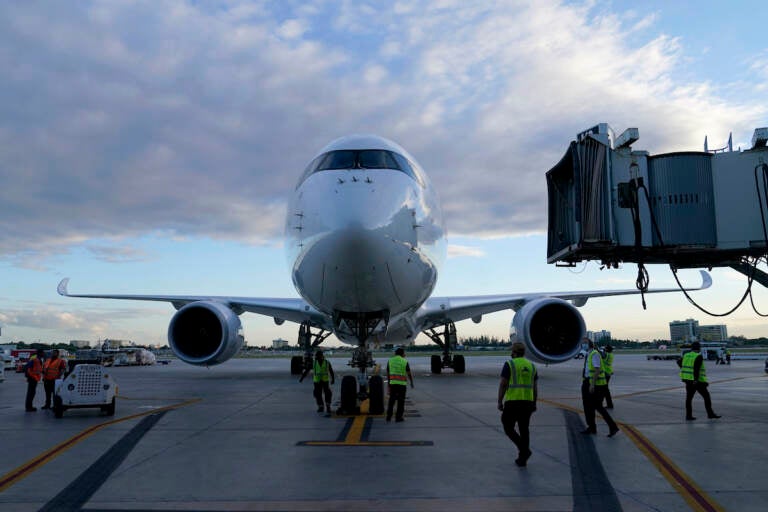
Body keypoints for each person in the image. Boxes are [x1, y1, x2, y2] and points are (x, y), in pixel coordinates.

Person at [497, 342, 538, 467]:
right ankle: (522, 459)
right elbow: (535, 387)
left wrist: (499, 401)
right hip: (528, 403)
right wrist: (534, 403)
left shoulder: (509, 364)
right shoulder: (532, 366)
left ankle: (524, 450)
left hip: (513, 402)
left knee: (508, 426)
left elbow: (503, 384)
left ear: (514, 352)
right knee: (524, 430)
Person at [581, 340, 619, 437]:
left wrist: (592, 384)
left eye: (584, 343)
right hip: (588, 382)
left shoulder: (594, 354)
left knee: (596, 406)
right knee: (588, 406)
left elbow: (597, 370)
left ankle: (612, 426)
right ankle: (592, 427)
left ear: (589, 345)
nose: (582, 345)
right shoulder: (589, 354)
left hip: (594, 384)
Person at [678, 341, 721, 421]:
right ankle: (710, 414)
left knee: (689, 398)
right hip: (697, 381)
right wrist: (696, 380)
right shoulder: (698, 356)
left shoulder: (686, 355)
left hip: (687, 380)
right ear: (699, 348)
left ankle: (688, 416)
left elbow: (678, 361)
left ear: (691, 348)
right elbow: (696, 369)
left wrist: (682, 368)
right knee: (706, 397)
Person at [386, 347, 414, 422]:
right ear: (402, 354)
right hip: (402, 385)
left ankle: (388, 416)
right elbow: (409, 373)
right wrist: (411, 382)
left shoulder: (390, 361)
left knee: (391, 400)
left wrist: (389, 383)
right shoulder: (404, 361)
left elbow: (388, 373)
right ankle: (398, 417)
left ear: (395, 353)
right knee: (401, 401)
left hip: (393, 384)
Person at [602, 345, 614, 409]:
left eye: (605, 348)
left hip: (606, 373)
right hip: (608, 372)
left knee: (605, 389)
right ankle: (609, 404)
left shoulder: (606, 355)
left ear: (607, 349)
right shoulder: (611, 354)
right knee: (605, 389)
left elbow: (602, 355)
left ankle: (609, 404)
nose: (604, 349)